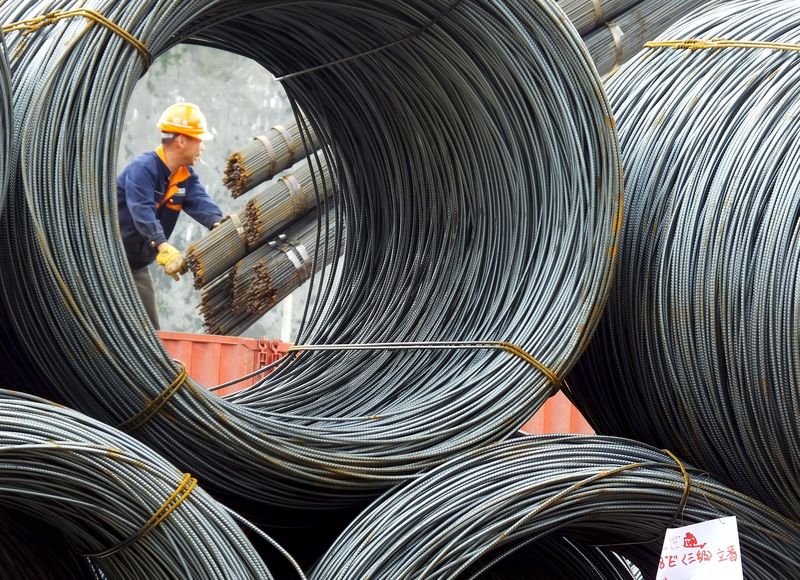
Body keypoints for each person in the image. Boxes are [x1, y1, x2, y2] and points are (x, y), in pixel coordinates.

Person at [117, 102, 223, 329]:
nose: (202, 146)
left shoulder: (184, 176)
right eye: (199, 139)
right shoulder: (143, 168)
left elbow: (201, 202)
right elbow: (141, 211)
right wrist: (164, 248)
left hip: (136, 266)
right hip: (105, 260)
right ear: (182, 140)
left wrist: (219, 224)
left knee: (150, 333)